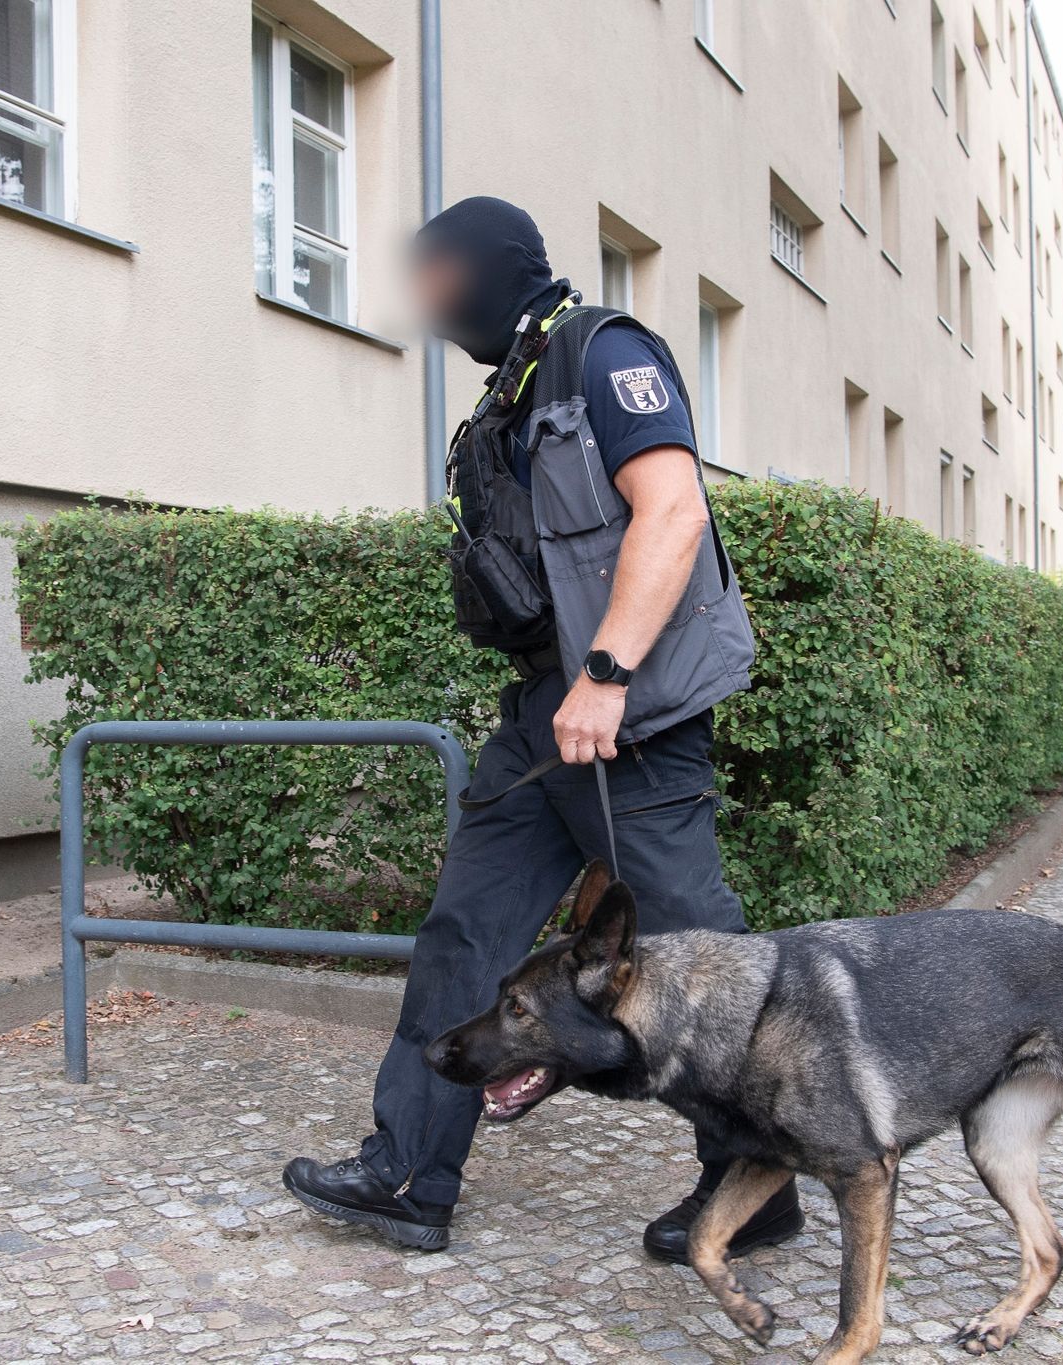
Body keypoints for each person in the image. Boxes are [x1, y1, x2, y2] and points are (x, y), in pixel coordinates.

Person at [281, 197, 801, 1264]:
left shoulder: (601, 356)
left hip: (631, 714)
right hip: (540, 715)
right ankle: (410, 1174)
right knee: (464, 938)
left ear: (490, 270)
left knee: (697, 963)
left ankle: (760, 1184)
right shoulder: (508, 391)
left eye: (439, 278)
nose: (428, 303)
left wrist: (606, 674)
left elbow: (672, 511)